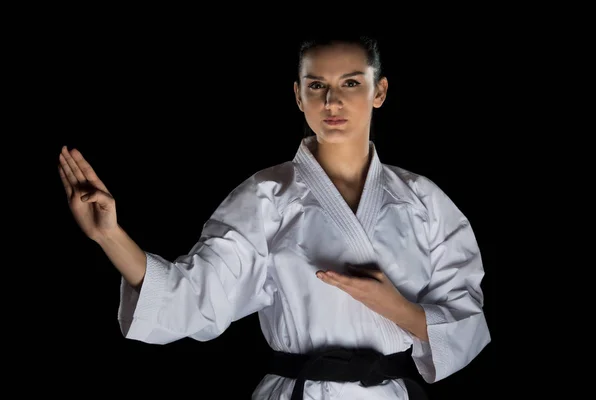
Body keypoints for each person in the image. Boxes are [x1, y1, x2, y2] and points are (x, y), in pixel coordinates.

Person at [58, 35, 491, 399]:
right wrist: (110, 236)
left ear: (379, 92)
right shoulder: (266, 196)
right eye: (317, 85)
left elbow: (466, 321)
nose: (332, 100)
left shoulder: (423, 201)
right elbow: (192, 298)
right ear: (298, 95)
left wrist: (397, 308)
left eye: (351, 83)